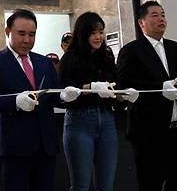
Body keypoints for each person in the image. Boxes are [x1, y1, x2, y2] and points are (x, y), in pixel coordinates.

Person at [0, 9, 81, 191]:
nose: (27, 40)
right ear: (7, 32)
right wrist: (15, 102)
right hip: (14, 146)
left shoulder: (44, 62)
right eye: (21, 34)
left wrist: (65, 96)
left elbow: (53, 96)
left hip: (46, 145)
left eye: (32, 34)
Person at [117, 1, 177, 191]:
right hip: (149, 132)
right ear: (141, 22)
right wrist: (160, 88)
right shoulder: (131, 51)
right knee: (151, 183)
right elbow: (124, 86)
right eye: (155, 15)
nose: (161, 19)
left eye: (163, 14)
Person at [58, 12, 139, 191]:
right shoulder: (70, 58)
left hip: (107, 120)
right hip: (79, 121)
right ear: (83, 34)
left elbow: (114, 89)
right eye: (93, 32)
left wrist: (123, 95)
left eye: (101, 32)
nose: (98, 37)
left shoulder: (107, 56)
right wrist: (90, 87)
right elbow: (64, 94)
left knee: (106, 185)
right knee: (80, 185)